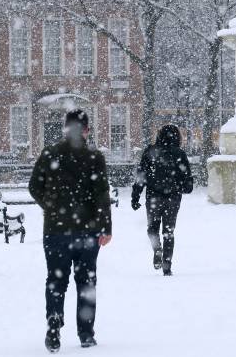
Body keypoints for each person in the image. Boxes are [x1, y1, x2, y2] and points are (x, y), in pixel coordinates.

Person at [28, 109, 112, 353]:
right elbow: (101, 195)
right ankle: (85, 333)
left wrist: (52, 207)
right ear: (86, 130)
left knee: (56, 280)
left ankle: (54, 326)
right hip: (87, 231)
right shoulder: (94, 157)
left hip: (55, 230)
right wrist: (105, 227)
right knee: (86, 282)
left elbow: (34, 186)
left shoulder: (50, 153)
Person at [131, 124, 194, 276]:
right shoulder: (179, 154)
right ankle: (167, 266)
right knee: (169, 231)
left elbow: (141, 176)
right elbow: (188, 182)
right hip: (172, 198)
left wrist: (136, 195)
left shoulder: (150, 152)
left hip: (153, 196)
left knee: (152, 228)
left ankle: (157, 248)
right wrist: (181, 186)